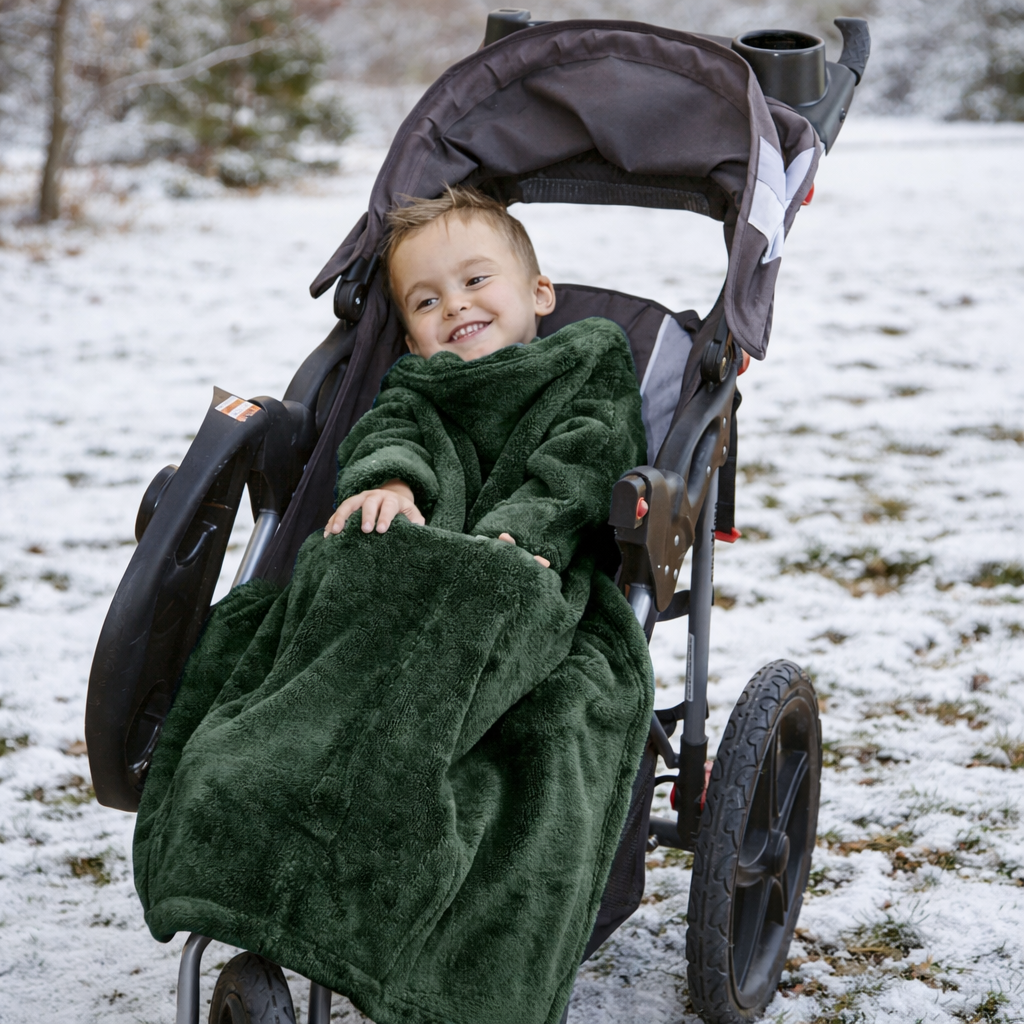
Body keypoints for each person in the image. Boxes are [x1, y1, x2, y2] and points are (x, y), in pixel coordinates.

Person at [325, 186, 569, 567]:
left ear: (539, 294)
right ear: (412, 344)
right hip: (414, 561)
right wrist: (393, 488)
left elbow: (585, 459)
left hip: (533, 563)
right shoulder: (415, 389)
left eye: (475, 280)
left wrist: (529, 531)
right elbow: (390, 436)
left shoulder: (577, 368)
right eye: (427, 301)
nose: (455, 305)